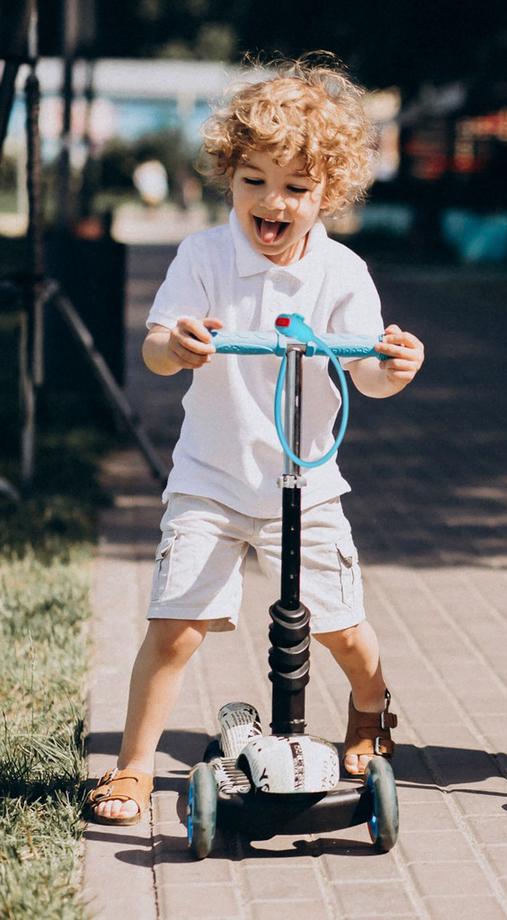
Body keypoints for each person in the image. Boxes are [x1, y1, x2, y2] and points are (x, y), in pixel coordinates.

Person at [88, 59, 425, 825]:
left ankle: (370, 708)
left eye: (296, 188)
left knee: (339, 629)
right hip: (211, 478)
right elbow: (154, 349)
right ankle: (135, 766)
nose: (272, 203)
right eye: (254, 181)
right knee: (174, 629)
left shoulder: (341, 272)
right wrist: (181, 345)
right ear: (227, 177)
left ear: (328, 196)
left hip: (305, 482)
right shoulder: (205, 258)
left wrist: (393, 367)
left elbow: (368, 372)